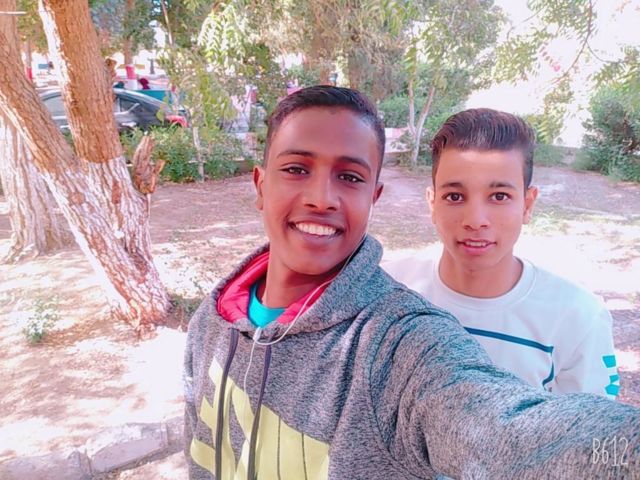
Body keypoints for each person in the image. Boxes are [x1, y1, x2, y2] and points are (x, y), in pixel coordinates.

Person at [184, 86, 639, 479]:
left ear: (374, 196)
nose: (476, 219)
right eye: (296, 169)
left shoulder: (399, 333)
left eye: (349, 176)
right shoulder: (211, 319)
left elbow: (520, 430)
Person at [384, 109, 619, 399]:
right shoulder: (387, 291)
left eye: (499, 196)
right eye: (455, 196)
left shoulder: (579, 318)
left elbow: (587, 425)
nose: (475, 220)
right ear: (432, 203)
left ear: (527, 205)